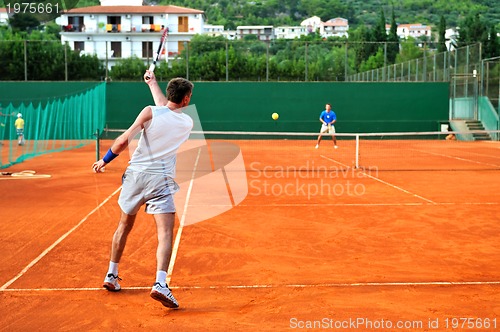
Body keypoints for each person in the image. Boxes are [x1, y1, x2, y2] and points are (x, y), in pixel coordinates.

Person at [92, 71, 194, 309]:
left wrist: (104, 161)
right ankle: (160, 283)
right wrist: (153, 83)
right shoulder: (187, 122)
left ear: (170, 93)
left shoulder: (150, 111)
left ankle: (111, 274)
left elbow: (123, 140)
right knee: (165, 233)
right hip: (161, 180)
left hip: (135, 177)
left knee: (124, 226)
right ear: (186, 99)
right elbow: (167, 111)